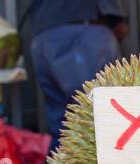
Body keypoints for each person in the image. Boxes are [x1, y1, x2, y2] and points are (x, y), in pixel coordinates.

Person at [26, 0, 128, 146]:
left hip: (42, 37)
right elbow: (120, 27)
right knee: (99, 117)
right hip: (80, 34)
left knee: (62, 126)